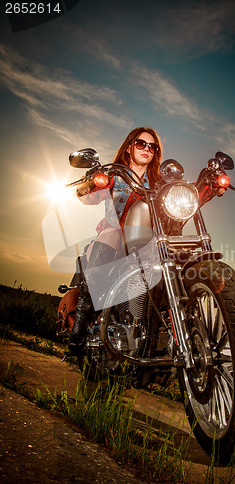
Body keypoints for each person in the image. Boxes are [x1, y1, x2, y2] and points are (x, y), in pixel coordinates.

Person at [68, 127, 162, 354]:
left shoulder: (159, 182)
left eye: (152, 147)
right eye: (141, 143)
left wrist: (209, 185)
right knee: (112, 233)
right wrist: (92, 182)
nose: (147, 149)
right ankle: (81, 321)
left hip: (146, 240)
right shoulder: (114, 175)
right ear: (130, 147)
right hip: (117, 235)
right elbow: (85, 196)